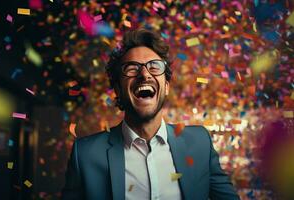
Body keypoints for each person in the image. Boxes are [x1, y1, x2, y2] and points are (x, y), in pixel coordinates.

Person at [61, 28, 239, 200]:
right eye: (132, 68)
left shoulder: (200, 143)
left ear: (166, 86)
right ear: (118, 89)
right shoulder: (85, 154)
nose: (144, 74)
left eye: (154, 67)